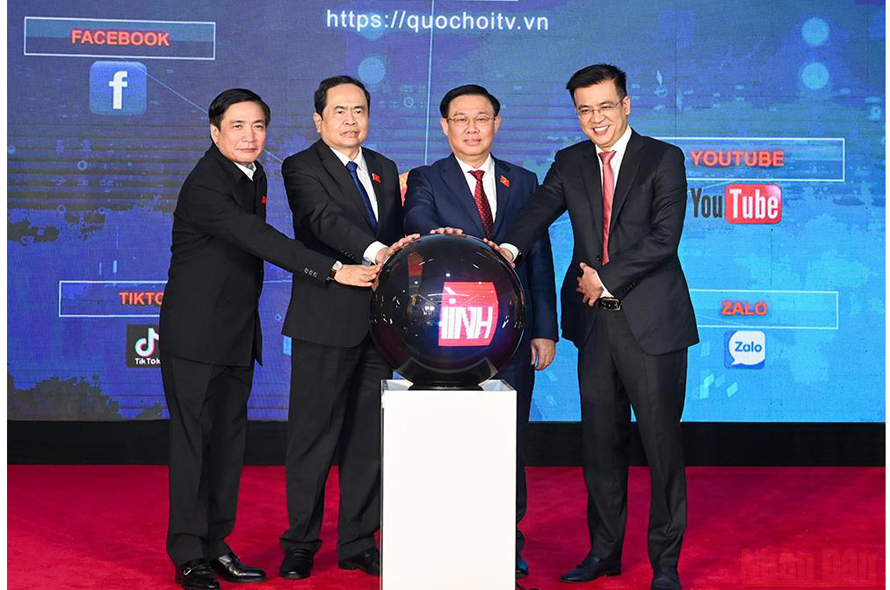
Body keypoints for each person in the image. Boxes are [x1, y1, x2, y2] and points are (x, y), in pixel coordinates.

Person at [159, 88, 378, 590]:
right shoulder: (206, 184)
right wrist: (334, 269)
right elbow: (260, 240)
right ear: (215, 132)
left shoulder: (252, 174)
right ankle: (189, 554)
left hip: (236, 335)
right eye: (237, 126)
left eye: (258, 126)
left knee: (227, 446)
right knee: (194, 447)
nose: (249, 136)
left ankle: (216, 545)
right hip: (194, 337)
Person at [493, 64, 698, 590]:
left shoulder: (663, 158)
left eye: (605, 106)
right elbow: (537, 212)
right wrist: (506, 250)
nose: (596, 118)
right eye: (585, 110)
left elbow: (663, 240)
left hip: (652, 323)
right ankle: (604, 553)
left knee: (660, 447)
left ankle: (665, 563)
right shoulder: (571, 161)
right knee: (600, 447)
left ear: (626, 105)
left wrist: (604, 279)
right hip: (594, 325)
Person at [403, 84, 558, 579]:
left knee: (508, 439)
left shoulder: (523, 180)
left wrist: (545, 329)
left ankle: (506, 540)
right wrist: (448, 238)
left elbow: (538, 257)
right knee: (449, 438)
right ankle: (446, 535)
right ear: (444, 126)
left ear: (497, 123)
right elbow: (420, 223)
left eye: (482, 118)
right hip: (446, 334)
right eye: (461, 119)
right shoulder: (426, 178)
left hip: (511, 332)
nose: (472, 128)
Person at [278, 75, 416, 580]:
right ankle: (300, 543)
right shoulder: (300, 167)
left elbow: (398, 234)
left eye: (359, 110)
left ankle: (358, 540)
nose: (351, 120)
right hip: (324, 321)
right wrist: (379, 252)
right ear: (319, 120)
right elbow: (321, 220)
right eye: (339, 111)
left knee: (367, 440)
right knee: (313, 438)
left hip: (378, 328)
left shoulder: (384, 167)